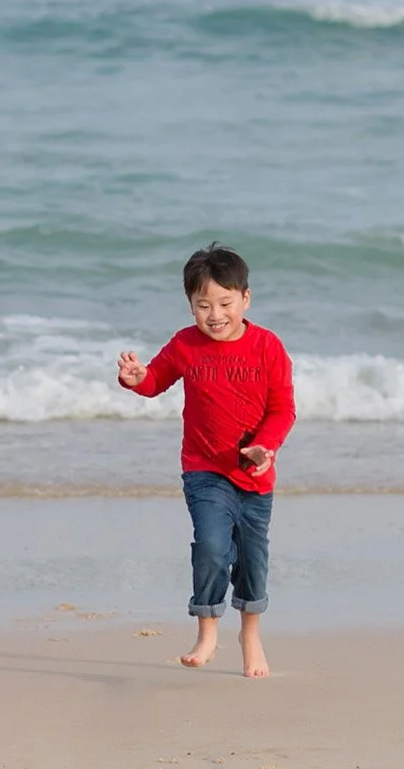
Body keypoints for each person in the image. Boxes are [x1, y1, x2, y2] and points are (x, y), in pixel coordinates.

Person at [116, 244, 295, 678]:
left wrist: (264, 447)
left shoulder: (267, 347)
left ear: (245, 300)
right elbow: (156, 379)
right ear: (191, 305)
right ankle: (208, 629)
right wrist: (137, 379)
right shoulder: (186, 344)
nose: (215, 314)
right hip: (204, 469)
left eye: (225, 304)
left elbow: (283, 409)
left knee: (253, 558)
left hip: (255, 473)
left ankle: (249, 634)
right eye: (203, 305)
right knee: (213, 548)